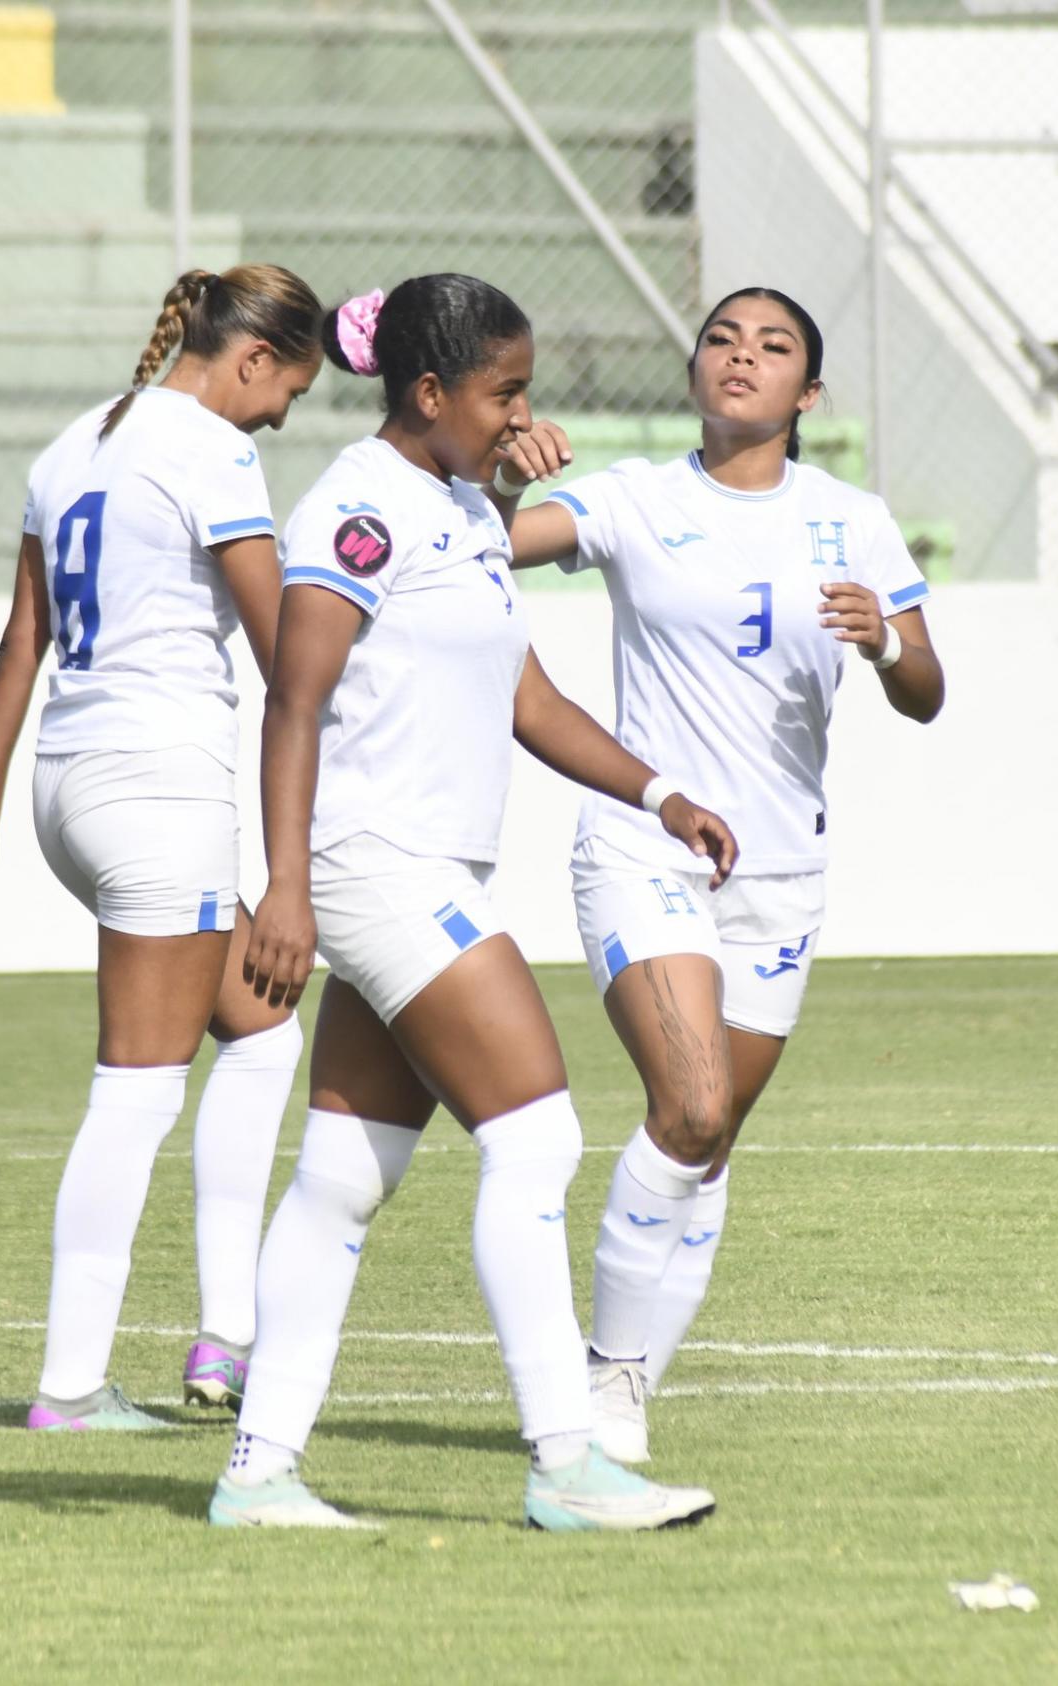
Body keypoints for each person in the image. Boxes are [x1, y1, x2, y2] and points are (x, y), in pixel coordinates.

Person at [207, 274, 734, 1532]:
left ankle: (257, 1474)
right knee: (537, 1137)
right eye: (502, 392)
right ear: (428, 392)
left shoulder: (458, 507)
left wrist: (658, 791)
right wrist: (284, 885)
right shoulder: (353, 511)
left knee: (339, 1176)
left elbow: (526, 697)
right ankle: (566, 1460)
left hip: (419, 866)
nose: (521, 413)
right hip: (374, 863)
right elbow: (292, 694)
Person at [505, 285, 946, 1464]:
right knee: (688, 1102)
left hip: (781, 873)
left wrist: (888, 641)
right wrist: (501, 472)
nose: (738, 357)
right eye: (719, 339)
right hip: (643, 844)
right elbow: (488, 546)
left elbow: (924, 692)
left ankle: (631, 1379)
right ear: (694, 369)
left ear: (806, 397)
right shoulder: (632, 497)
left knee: (706, 1142)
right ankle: (601, 1377)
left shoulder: (850, 518)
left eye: (770, 347)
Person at [0, 266, 323, 1429]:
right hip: (159, 788)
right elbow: (280, 650)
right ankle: (68, 1385)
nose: (280, 417)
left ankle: (226, 1338)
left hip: (68, 784)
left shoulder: (73, 446)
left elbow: (21, 640)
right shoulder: (212, 452)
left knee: (257, 1032)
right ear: (250, 359)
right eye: (285, 392)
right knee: (137, 1090)